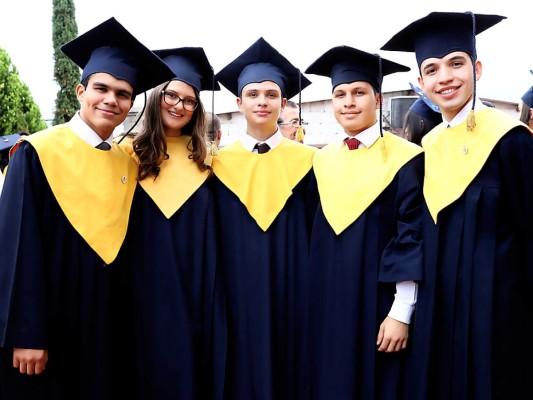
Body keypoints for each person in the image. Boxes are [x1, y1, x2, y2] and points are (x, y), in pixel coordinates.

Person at [0, 17, 174, 400]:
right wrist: (26, 332)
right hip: (49, 330)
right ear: (81, 91)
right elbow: (17, 251)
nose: (111, 100)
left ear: (131, 103)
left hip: (107, 328)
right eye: (101, 88)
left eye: (123, 93)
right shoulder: (36, 153)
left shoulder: (126, 164)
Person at [381, 11, 533, 400]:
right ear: (420, 83)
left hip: (498, 315)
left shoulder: (511, 140)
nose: (444, 77)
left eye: (456, 63)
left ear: (477, 68)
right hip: (438, 312)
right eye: (431, 69)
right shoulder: (427, 148)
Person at [304, 45, 424, 400]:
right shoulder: (321, 161)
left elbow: (412, 236)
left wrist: (402, 311)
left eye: (359, 92)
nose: (349, 102)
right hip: (328, 301)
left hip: (378, 304)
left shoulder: (408, 160)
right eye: (340, 94)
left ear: (378, 98)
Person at [117, 46, 226, 400]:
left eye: (189, 101)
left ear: (197, 109)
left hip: (197, 293)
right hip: (139, 294)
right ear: (156, 97)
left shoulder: (210, 164)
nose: (179, 106)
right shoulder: (126, 156)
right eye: (171, 95)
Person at [212, 37, 317, 400]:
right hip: (234, 291)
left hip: (293, 289)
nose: (262, 101)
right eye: (253, 94)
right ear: (238, 103)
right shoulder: (216, 165)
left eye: (271, 94)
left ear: (284, 103)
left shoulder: (308, 162)